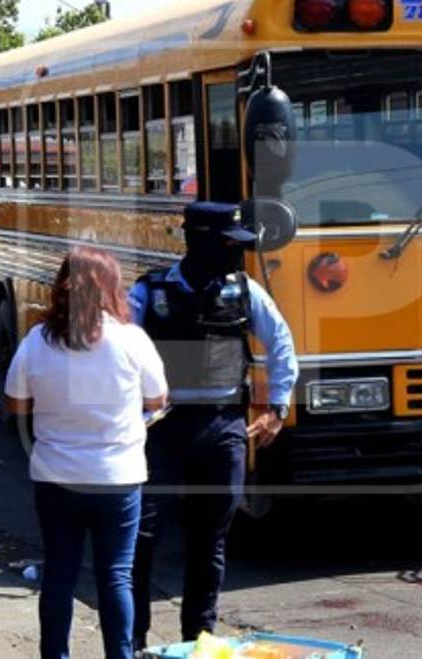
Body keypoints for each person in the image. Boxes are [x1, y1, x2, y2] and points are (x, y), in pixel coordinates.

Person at [129, 202, 298, 650]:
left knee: (210, 541)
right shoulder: (150, 292)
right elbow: (117, 349)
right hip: (159, 430)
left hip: (222, 427)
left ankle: (198, 640)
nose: (237, 254)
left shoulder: (244, 290)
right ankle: (133, 641)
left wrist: (277, 408)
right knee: (143, 536)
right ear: (199, 241)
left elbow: (282, 343)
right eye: (229, 244)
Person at [4, 246, 166, 659]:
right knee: (116, 576)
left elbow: (16, 404)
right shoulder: (132, 340)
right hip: (117, 477)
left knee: (60, 573)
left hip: (56, 477)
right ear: (110, 288)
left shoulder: (37, 341)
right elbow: (157, 398)